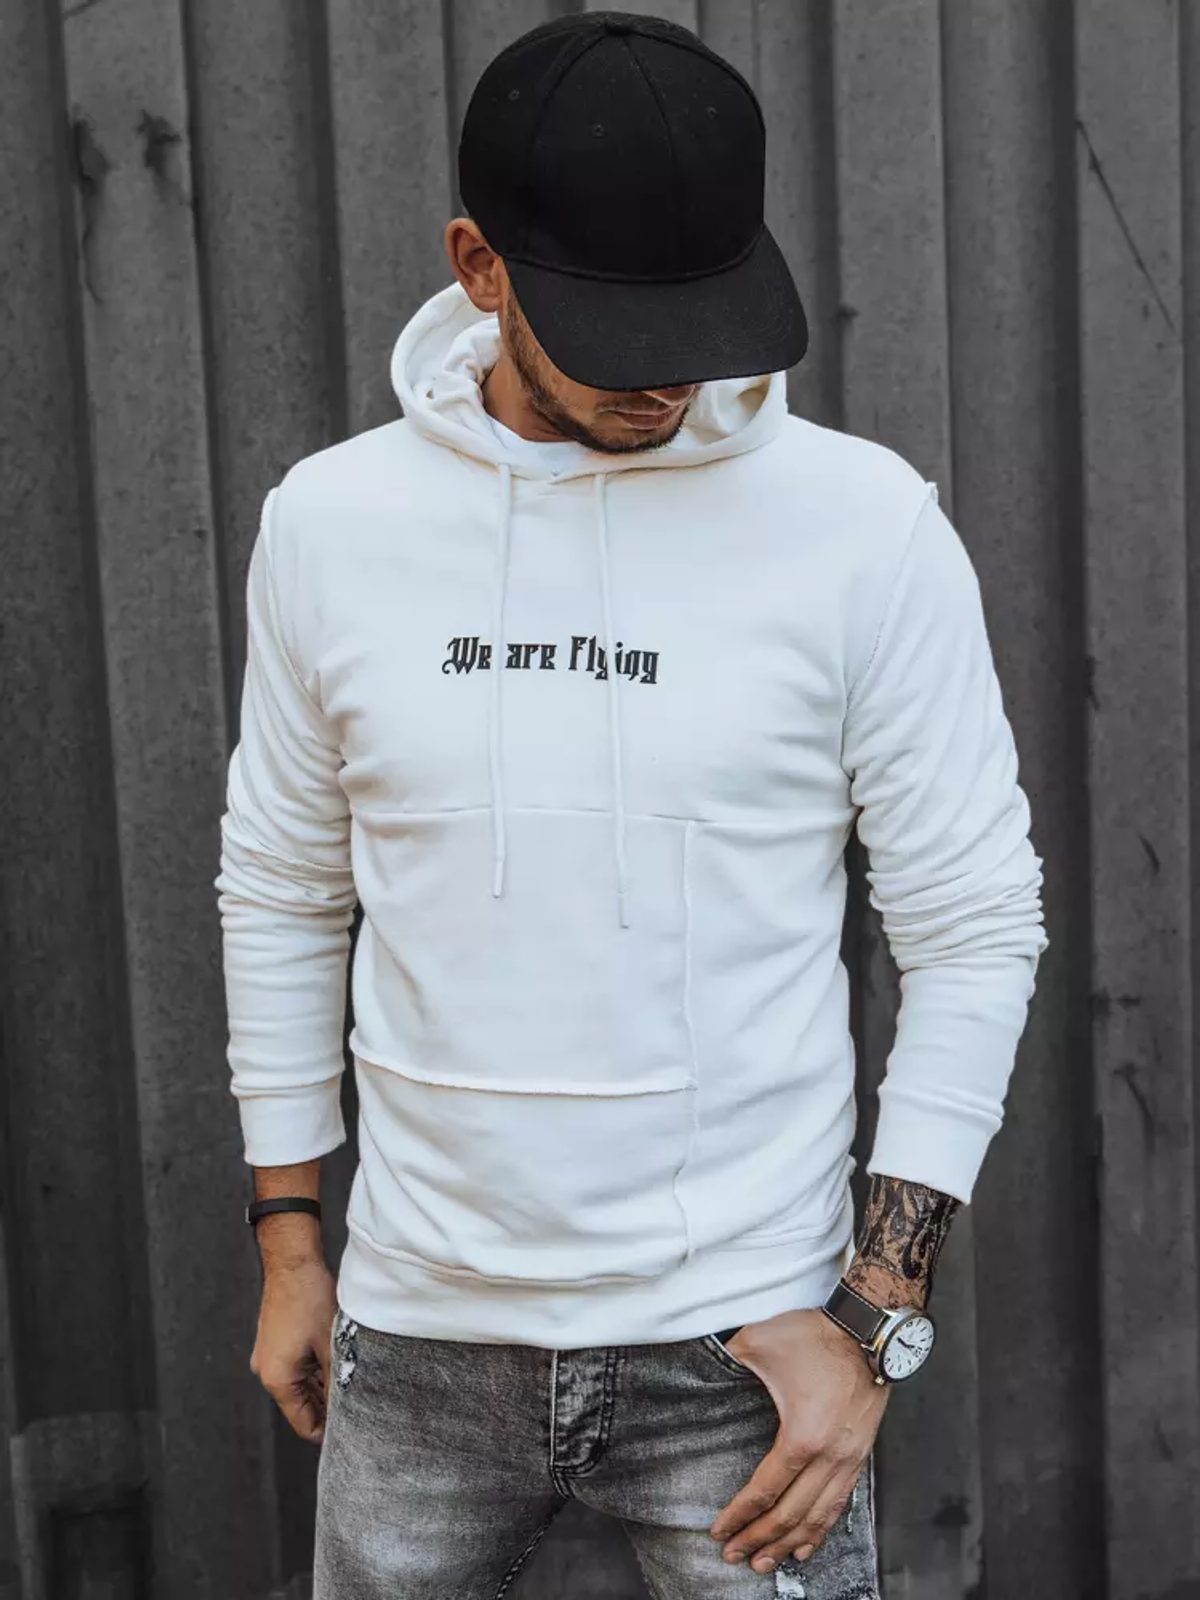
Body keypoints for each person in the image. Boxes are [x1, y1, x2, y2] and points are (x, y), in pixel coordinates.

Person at [215, 11, 1047, 1598]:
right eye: (617, 326)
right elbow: (283, 885)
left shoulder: (861, 531)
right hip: (419, 1335)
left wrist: (874, 1321)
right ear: (479, 267)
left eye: (706, 316)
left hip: (743, 1358)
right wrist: (291, 1240)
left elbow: (973, 925)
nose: (672, 372)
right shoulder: (331, 526)